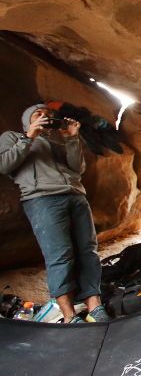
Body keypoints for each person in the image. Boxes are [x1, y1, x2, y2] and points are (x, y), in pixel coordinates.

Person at [0, 104, 110, 323]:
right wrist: (30, 136)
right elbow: (4, 165)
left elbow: (77, 168)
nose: (45, 117)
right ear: (27, 121)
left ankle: (94, 305)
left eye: (49, 115)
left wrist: (71, 138)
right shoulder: (12, 137)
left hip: (76, 196)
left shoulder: (58, 138)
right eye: (38, 114)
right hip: (42, 200)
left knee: (88, 251)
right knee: (60, 255)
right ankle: (69, 315)